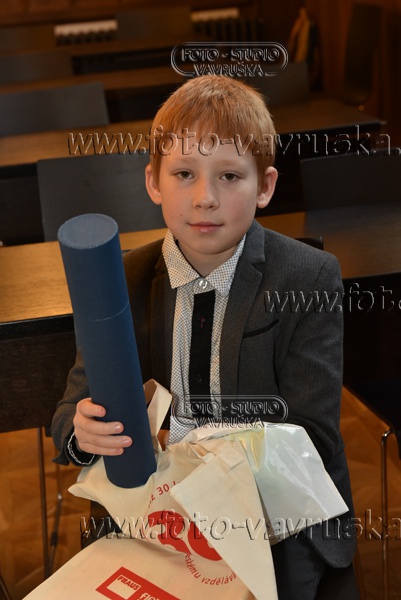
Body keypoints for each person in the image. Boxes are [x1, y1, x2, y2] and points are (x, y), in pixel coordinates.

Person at [52, 75, 357, 599]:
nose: (204, 198)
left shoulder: (307, 278)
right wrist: (83, 434)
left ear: (265, 186)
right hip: (154, 515)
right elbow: (68, 414)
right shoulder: (121, 280)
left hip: (273, 517)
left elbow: (313, 437)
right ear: (154, 183)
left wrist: (201, 457)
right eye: (184, 174)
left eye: (230, 176)